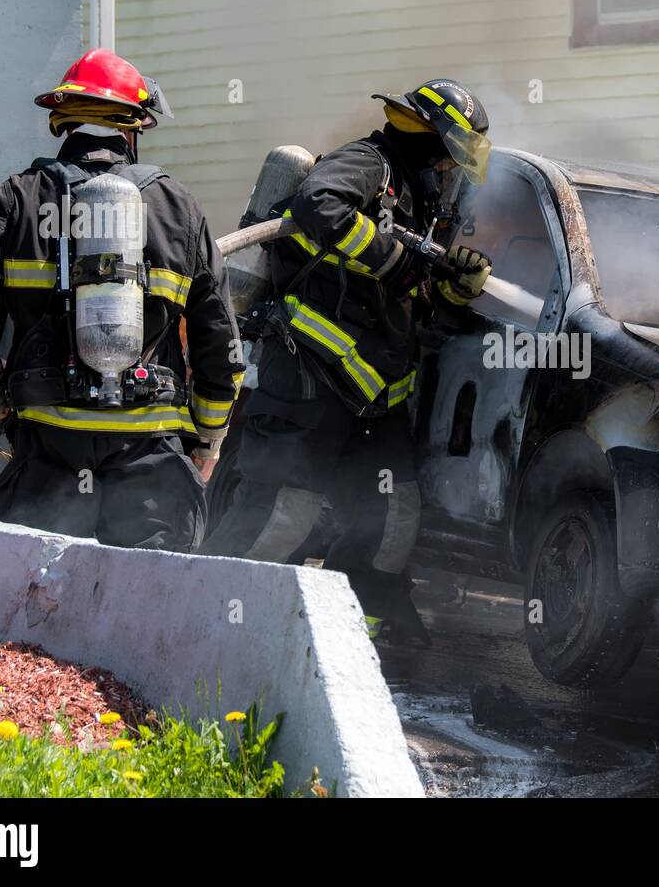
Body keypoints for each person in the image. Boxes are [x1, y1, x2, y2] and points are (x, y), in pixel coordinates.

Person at [200, 79, 494, 642]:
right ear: (435, 140)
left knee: (392, 517)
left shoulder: (423, 198)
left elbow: (417, 303)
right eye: (452, 154)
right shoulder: (367, 162)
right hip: (311, 373)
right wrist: (397, 262)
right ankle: (211, 618)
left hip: (374, 395)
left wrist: (451, 287)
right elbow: (319, 204)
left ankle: (357, 637)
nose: (452, 169)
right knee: (285, 513)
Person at [0, 48, 244, 550]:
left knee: (35, 599)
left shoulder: (19, 196)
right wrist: (209, 438)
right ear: (133, 127)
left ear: (63, 120)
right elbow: (220, 339)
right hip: (150, 448)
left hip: (48, 442)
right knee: (152, 598)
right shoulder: (179, 206)